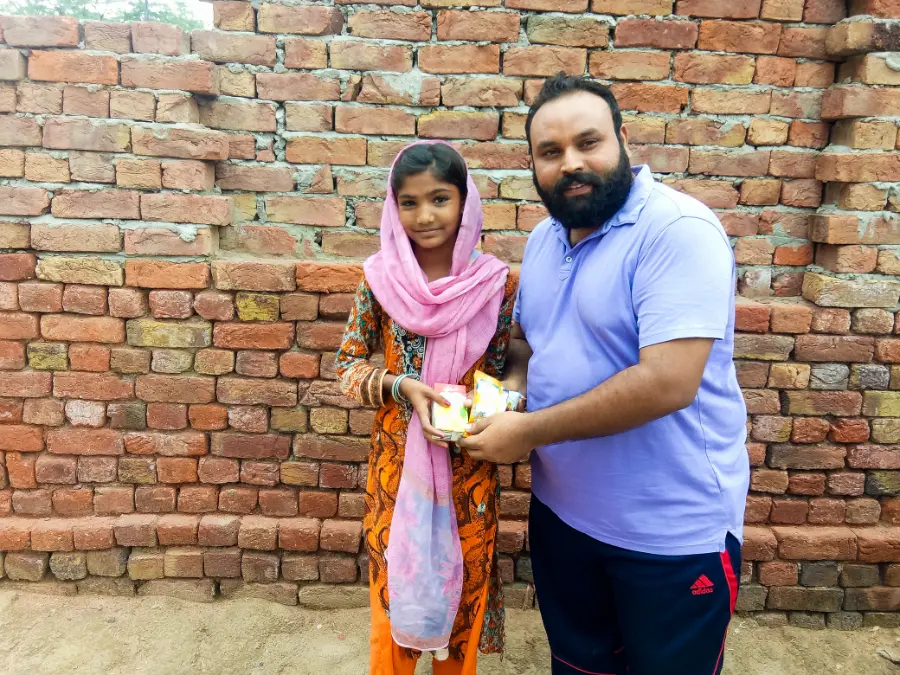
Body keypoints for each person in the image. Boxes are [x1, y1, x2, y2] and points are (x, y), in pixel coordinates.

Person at [459, 73, 751, 675]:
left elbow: (668, 381)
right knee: (578, 667)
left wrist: (528, 432)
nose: (570, 162)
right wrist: (508, 397)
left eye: (587, 142)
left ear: (623, 140)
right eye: (550, 151)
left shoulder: (677, 231)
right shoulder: (544, 241)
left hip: (669, 535)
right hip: (562, 517)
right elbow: (527, 343)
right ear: (533, 165)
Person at [335, 140, 517, 675]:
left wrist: (486, 409)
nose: (425, 216)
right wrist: (404, 387)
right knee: (396, 587)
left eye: (440, 198)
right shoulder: (380, 279)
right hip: (398, 470)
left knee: (462, 592)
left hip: (469, 466)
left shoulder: (496, 284)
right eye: (409, 203)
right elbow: (347, 367)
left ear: (465, 202)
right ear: (394, 208)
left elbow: (502, 369)